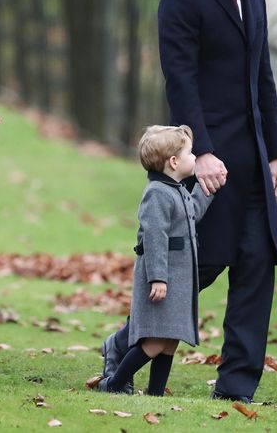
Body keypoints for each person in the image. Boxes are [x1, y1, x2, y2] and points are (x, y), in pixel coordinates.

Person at [100, 0, 277, 403]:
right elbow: (180, 81)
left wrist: (276, 154)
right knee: (194, 269)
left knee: (256, 266)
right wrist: (201, 152)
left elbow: (262, 78)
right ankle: (123, 345)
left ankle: (236, 387)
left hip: (254, 161)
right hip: (208, 165)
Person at [99, 125, 212, 395]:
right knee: (155, 341)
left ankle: (156, 393)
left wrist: (207, 189)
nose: (194, 157)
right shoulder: (158, 193)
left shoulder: (176, 189)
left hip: (179, 277)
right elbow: (154, 237)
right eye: (190, 153)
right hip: (162, 278)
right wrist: (158, 278)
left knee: (170, 340)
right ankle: (113, 384)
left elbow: (193, 213)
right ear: (174, 162)